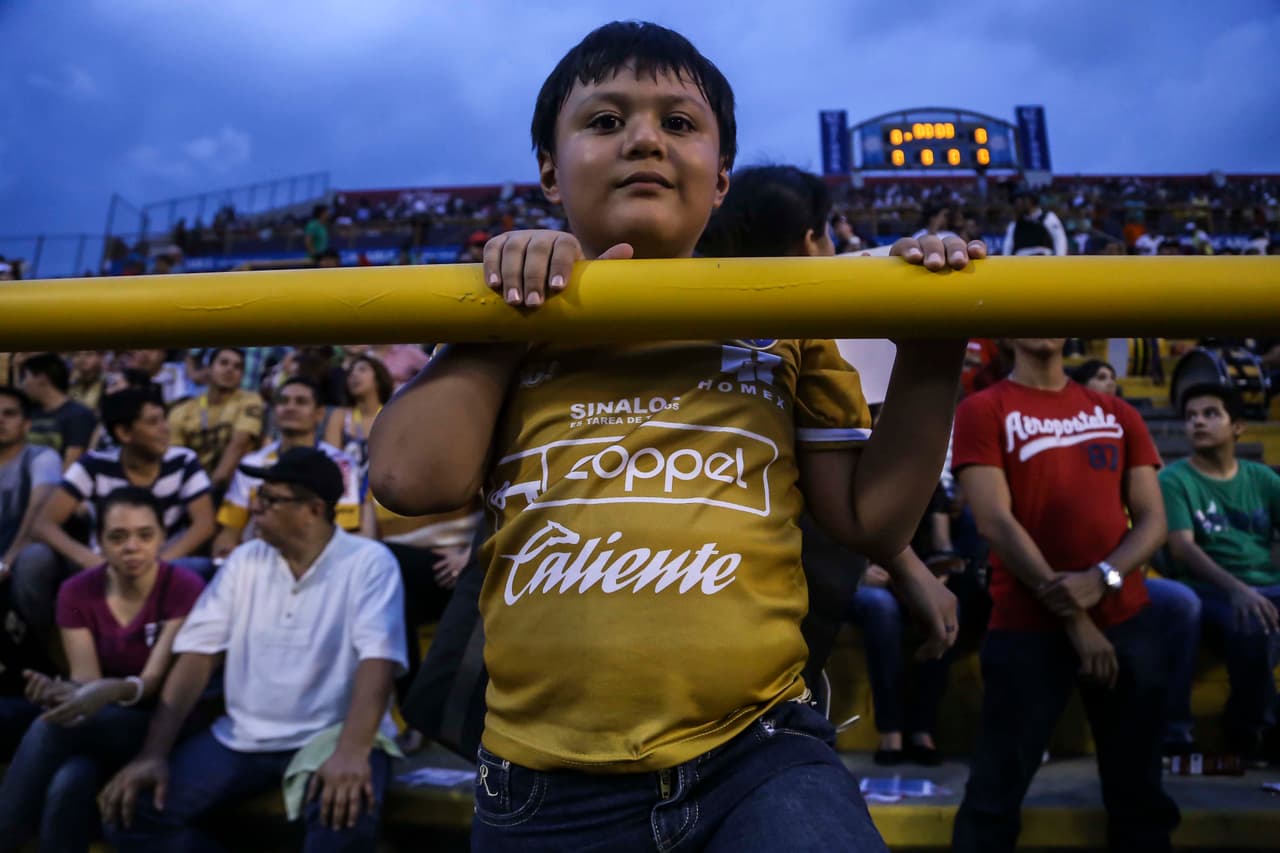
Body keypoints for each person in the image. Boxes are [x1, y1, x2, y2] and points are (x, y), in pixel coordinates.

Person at [370, 21, 981, 851]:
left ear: (721, 175)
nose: (645, 140)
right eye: (606, 120)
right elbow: (409, 477)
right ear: (550, 170)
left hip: (757, 754)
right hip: (542, 783)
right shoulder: (507, 315)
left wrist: (935, 342)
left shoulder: (788, 324)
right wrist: (504, 319)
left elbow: (873, 522)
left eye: (680, 123)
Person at [99, 449, 407, 851]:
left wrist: (351, 751)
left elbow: (378, 660)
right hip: (241, 737)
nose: (254, 508)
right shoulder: (244, 561)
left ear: (312, 510)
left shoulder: (369, 562)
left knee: (343, 827)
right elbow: (197, 657)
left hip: (331, 735)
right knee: (133, 816)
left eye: (270, 500)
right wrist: (153, 753)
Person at [951, 337, 1179, 852]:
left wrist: (1102, 578)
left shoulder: (1116, 410)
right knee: (992, 800)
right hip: (1026, 627)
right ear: (1005, 333)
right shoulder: (984, 409)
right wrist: (1078, 619)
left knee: (1141, 799)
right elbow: (993, 521)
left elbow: (1153, 520)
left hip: (1125, 619)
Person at [0, 488, 203, 853]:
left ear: (161, 537)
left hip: (162, 723)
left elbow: (153, 684)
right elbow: (87, 681)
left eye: (145, 535)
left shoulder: (184, 588)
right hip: (101, 722)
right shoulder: (77, 592)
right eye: (117, 537)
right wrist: (61, 692)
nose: (132, 547)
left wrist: (104, 692)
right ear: (99, 541)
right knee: (70, 780)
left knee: (51, 729)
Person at [1071, 356, 1203, 753]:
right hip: (1060, 579)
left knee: (1182, 604)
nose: (1108, 384)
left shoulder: (1124, 426)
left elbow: (1151, 526)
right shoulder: (1051, 439)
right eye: (1099, 376)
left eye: (1113, 377)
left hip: (1119, 578)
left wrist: (1107, 576)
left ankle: (1175, 727)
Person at [10, 389, 214, 641]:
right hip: (104, 559)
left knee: (201, 569)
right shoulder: (94, 464)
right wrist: (90, 560)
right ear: (124, 433)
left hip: (165, 558)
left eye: (164, 419)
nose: (165, 429)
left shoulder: (183, 461)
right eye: (153, 422)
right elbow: (43, 525)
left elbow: (204, 524)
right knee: (34, 559)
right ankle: (45, 648)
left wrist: (156, 563)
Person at [1159, 383, 1280, 766]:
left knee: (1259, 616)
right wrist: (1239, 590)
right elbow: (1182, 548)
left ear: (1238, 427)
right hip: (1207, 588)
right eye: (1191, 416)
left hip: (1267, 584)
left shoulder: (1262, 479)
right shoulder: (1174, 480)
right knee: (1250, 622)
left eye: (1211, 414)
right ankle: (1249, 730)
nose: (1198, 422)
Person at [212, 378, 359, 559]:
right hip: (256, 561)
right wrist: (226, 563)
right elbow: (229, 532)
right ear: (274, 412)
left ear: (319, 414)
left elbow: (345, 530)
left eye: (301, 402)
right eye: (283, 401)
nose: (290, 407)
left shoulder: (340, 464)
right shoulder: (252, 464)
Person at [168, 348, 265, 496]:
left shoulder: (250, 400)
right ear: (208, 369)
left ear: (241, 376)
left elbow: (239, 445)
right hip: (190, 489)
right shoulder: (182, 411)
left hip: (235, 489)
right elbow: (176, 458)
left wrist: (211, 492)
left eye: (237, 367)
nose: (230, 369)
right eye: (223, 363)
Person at [0, 387, 62, 584]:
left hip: (18, 557)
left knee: (36, 556)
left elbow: (40, 508)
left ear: (26, 424)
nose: (0, 420)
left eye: (9, 414)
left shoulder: (42, 457)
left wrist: (7, 562)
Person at [18, 353, 98, 471]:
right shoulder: (28, 413)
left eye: (26, 377)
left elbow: (71, 466)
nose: (23, 384)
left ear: (42, 378)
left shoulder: (79, 415)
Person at [323, 354, 393, 480]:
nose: (354, 375)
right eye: (350, 373)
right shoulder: (339, 416)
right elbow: (332, 461)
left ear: (378, 378)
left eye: (362, 369)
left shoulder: (392, 414)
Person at [1001, 190, 1068, 256]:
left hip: (1044, 261)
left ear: (1029, 201)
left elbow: (1059, 240)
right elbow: (1007, 248)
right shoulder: (1014, 225)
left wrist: (1059, 261)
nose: (1015, 206)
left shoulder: (1048, 218)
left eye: (1018, 201)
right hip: (1021, 262)